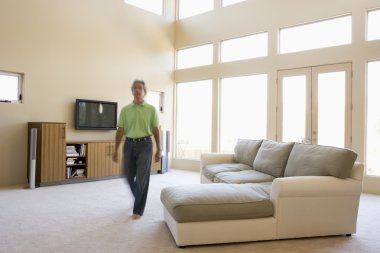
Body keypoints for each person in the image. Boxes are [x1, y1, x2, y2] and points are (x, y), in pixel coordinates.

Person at [113, 79, 161, 219]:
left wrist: (159, 149)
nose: (137, 90)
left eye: (140, 88)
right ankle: (138, 196)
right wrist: (116, 149)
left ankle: (138, 209)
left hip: (145, 144)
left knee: (142, 178)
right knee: (127, 175)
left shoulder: (151, 110)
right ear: (132, 91)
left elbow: (156, 130)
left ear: (144, 92)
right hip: (128, 144)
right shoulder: (125, 110)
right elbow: (120, 130)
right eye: (135, 88)